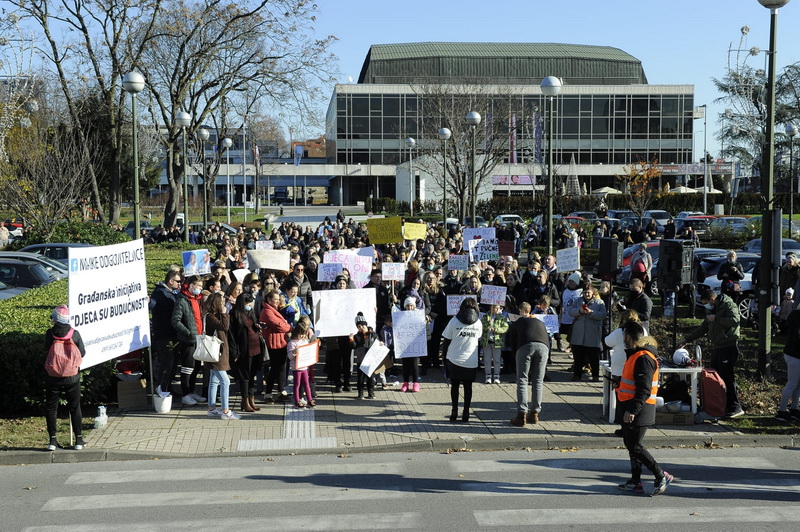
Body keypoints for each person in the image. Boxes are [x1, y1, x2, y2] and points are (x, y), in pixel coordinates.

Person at [616, 321, 673, 497]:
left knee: (635, 446)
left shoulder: (643, 357)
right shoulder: (636, 355)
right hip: (633, 405)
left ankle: (660, 475)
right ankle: (636, 480)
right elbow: (635, 384)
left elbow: (644, 389)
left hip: (640, 409)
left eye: (624, 335)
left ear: (630, 337)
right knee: (630, 444)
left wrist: (632, 410)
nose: (623, 338)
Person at [680, 289, 744, 418]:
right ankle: (719, 405)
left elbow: (735, 320)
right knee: (715, 377)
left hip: (728, 346)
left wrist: (717, 318)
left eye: (706, 303)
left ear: (712, 299)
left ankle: (735, 406)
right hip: (717, 346)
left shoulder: (728, 305)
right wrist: (687, 340)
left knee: (727, 377)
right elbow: (703, 328)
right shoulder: (711, 310)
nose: (706, 306)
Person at [44, 305, 86, 451]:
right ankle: (79, 440)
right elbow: (82, 352)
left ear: (55, 319)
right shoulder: (75, 333)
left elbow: (46, 351)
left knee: (51, 408)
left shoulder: (50, 333)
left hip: (52, 376)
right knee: (75, 407)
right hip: (72, 377)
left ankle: (52, 441)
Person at [440, 297, 482, 422]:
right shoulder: (478, 323)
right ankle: (466, 412)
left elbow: (446, 341)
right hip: (471, 360)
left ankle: (454, 412)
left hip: (454, 358)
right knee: (468, 387)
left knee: (455, 386)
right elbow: (478, 341)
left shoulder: (454, 321)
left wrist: (443, 357)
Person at [508, 302, 550, 426]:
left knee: (522, 379)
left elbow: (512, 342)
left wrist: (515, 355)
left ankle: (521, 414)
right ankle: (535, 413)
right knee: (538, 381)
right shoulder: (539, 321)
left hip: (525, 345)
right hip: (543, 346)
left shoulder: (517, 323)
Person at [203, 292, 239, 420]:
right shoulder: (210, 317)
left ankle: (211, 408)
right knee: (225, 381)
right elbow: (225, 326)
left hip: (218, 352)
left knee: (214, 380)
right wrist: (224, 313)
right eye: (221, 303)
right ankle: (225, 411)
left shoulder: (214, 316)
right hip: (215, 353)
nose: (223, 305)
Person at [171, 275, 207, 406]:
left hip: (198, 338)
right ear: (191, 285)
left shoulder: (196, 299)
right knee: (187, 368)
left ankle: (191, 392)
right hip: (188, 340)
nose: (200, 289)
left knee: (196, 367)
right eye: (198, 286)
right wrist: (188, 333)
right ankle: (185, 394)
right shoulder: (182, 300)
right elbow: (175, 321)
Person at [230, 292, 265, 412]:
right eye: (248, 303)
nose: (250, 305)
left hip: (256, 347)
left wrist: (258, 326)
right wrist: (234, 352)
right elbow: (232, 335)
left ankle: (251, 399)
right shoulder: (234, 314)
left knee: (252, 375)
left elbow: (253, 325)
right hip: (244, 349)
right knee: (244, 375)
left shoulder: (250, 312)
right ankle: (244, 401)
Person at [149, 271, 181, 397]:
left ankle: (168, 387)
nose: (179, 283)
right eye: (177, 281)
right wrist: (148, 302)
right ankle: (162, 388)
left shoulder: (172, 293)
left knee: (172, 362)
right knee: (166, 362)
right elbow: (153, 304)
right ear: (170, 281)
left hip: (172, 333)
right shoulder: (159, 293)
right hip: (164, 334)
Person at [568, 284, 607, 382]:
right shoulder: (578, 301)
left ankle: (595, 376)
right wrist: (579, 311)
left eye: (588, 293)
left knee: (593, 357)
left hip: (592, 334)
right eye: (585, 293)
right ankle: (577, 375)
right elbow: (570, 312)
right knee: (578, 356)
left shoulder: (599, 302)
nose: (586, 294)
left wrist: (591, 312)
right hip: (579, 333)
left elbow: (603, 315)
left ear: (593, 293)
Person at [260, 289, 292, 403]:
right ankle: (268, 393)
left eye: (279, 299)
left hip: (280, 342)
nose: (278, 302)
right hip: (273, 343)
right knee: (274, 369)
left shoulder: (275, 309)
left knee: (282, 367)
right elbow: (279, 326)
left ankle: (281, 390)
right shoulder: (267, 311)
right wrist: (289, 327)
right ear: (269, 299)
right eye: (276, 299)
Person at [776, 299, 800, 422]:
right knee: (792, 384)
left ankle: (794, 409)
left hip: (791, 353)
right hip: (796, 355)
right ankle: (782, 411)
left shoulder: (793, 316)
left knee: (796, 384)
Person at [287, 316, 316, 408]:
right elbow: (290, 356)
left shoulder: (304, 341)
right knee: (297, 384)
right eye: (301, 334)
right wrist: (294, 352)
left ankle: (309, 399)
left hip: (304, 365)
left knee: (306, 383)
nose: (303, 336)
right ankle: (297, 400)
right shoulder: (292, 343)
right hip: (296, 367)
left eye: (304, 334)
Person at [350, 312, 379, 399]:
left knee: (370, 377)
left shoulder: (372, 334)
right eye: (359, 327)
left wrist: (380, 343)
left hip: (370, 360)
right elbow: (354, 346)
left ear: (366, 325)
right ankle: (360, 393)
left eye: (363, 326)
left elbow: (377, 342)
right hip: (361, 360)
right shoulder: (357, 336)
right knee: (360, 378)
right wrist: (351, 340)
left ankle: (371, 392)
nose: (361, 328)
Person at [480, 304, 509, 384]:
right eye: (493, 307)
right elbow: (482, 325)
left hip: (497, 342)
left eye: (497, 308)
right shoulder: (486, 316)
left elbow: (505, 328)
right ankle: (488, 375)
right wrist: (488, 324)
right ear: (491, 308)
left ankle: (496, 375)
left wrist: (496, 329)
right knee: (487, 360)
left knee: (497, 360)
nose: (495, 309)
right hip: (487, 341)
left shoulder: (501, 317)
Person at [399, 297, 423, 392]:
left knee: (414, 365)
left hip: (414, 344)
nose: (409, 307)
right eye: (408, 306)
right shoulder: (400, 316)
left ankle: (416, 383)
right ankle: (405, 383)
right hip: (404, 344)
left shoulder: (418, 315)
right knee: (405, 365)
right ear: (405, 307)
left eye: (411, 305)